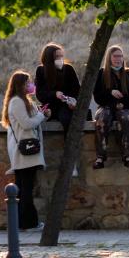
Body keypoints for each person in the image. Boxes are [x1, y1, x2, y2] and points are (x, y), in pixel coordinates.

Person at [2, 71, 51, 231]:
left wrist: (43, 114)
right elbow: (27, 123)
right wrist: (41, 116)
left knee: (23, 189)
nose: (30, 85)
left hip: (26, 151)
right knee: (25, 189)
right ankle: (28, 223)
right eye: (27, 82)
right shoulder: (16, 102)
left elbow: (34, 119)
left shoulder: (23, 101)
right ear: (20, 85)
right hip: (25, 151)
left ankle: (23, 222)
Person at [35, 42, 80, 176]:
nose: (60, 59)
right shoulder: (41, 71)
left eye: (61, 56)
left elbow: (77, 90)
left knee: (68, 121)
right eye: (57, 57)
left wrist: (72, 101)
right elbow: (40, 94)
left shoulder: (69, 69)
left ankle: (71, 162)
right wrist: (54, 94)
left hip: (66, 106)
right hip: (51, 106)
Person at [92, 45, 129, 169]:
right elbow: (97, 96)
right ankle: (100, 156)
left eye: (120, 56)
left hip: (125, 107)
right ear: (109, 58)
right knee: (102, 118)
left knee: (126, 117)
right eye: (115, 56)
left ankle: (127, 155)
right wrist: (110, 93)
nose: (118, 59)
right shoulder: (101, 73)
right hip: (106, 106)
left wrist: (123, 103)